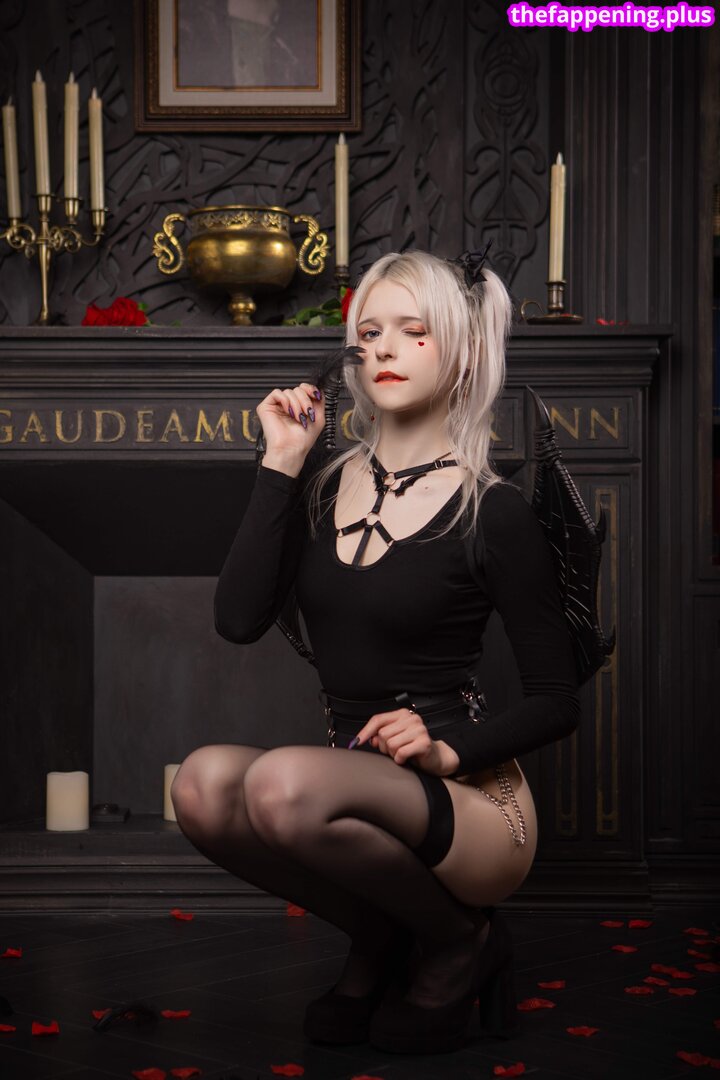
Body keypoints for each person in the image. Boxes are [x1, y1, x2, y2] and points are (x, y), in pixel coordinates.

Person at [170, 250, 581, 1055]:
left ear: (463, 351)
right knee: (202, 786)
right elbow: (237, 620)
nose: (383, 349)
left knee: (281, 786)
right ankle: (387, 935)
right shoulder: (321, 484)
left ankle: (463, 940)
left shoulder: (491, 509)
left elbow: (557, 700)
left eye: (412, 331)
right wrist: (281, 463)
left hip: (471, 803)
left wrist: (445, 749)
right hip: (349, 785)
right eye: (368, 333)